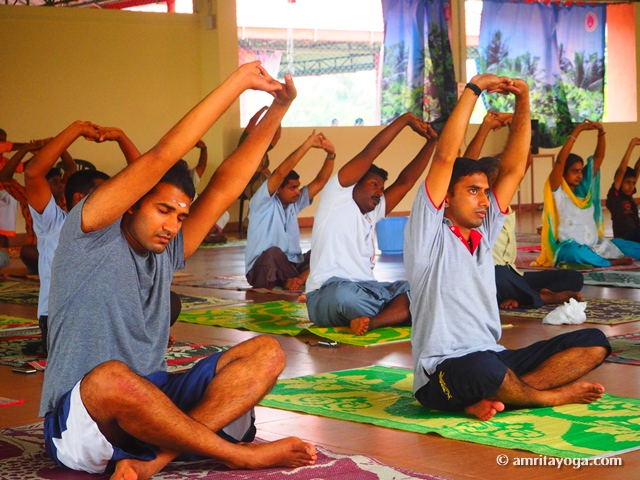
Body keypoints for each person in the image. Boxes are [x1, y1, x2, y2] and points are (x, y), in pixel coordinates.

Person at [39, 62, 316, 479]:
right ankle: (237, 454)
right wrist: (238, 83)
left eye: (181, 216)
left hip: (154, 405)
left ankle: (158, 460)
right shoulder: (90, 229)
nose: (172, 226)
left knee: (268, 352)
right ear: (132, 201)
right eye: (163, 210)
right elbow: (162, 155)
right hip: (85, 414)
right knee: (114, 378)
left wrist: (279, 107)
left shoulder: (166, 248)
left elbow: (226, 186)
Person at [405, 74, 610, 422]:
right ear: (446, 199)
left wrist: (524, 99)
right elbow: (444, 159)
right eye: (472, 191)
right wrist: (473, 89)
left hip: (494, 357)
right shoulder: (428, 234)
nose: (484, 200)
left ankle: (507, 393)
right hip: (441, 372)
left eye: (485, 191)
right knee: (483, 369)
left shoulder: (483, 232)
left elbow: (515, 167)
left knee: (594, 340)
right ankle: (547, 397)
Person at [306, 113, 438, 335]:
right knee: (345, 297)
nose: (379, 193)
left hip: (369, 289)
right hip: (327, 294)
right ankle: (396, 313)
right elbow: (371, 152)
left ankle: (372, 322)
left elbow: (406, 182)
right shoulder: (337, 196)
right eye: (374, 184)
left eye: (382, 188)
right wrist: (404, 120)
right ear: (354, 183)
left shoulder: (373, 212)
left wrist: (432, 143)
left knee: (423, 289)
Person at [24, 124, 132, 353]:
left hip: (104, 314)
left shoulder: (115, 225)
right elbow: (33, 173)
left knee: (168, 303)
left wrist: (122, 138)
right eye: (102, 194)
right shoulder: (54, 223)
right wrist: (77, 129)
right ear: (78, 198)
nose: (110, 200)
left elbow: (146, 181)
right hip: (63, 319)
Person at [465, 111, 583, 309]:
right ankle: (542, 298)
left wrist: (516, 123)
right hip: (490, 276)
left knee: (573, 277)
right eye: (496, 183)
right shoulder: (477, 207)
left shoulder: (507, 195)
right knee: (498, 274)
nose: (504, 188)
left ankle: (519, 296)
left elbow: (524, 161)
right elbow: (466, 165)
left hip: (513, 275)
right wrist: (485, 127)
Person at [535, 121, 640, 268]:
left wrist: (601, 133)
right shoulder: (558, 192)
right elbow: (560, 161)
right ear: (563, 172)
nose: (579, 175)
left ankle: (599, 258)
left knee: (634, 248)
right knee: (574, 253)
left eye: (580, 171)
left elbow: (598, 158)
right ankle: (608, 262)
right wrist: (576, 131)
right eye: (574, 171)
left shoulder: (584, 190)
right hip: (571, 246)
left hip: (595, 244)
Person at [245, 130, 335, 290]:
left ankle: (296, 279)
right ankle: (297, 279)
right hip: (262, 269)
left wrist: (331, 155)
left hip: (292, 264)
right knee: (273, 253)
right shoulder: (262, 202)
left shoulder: (295, 203)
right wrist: (307, 145)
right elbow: (280, 172)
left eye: (298, 187)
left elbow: (320, 182)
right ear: (278, 189)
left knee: (327, 249)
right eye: (293, 188)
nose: (298, 192)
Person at [606, 137, 640, 242]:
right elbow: (621, 170)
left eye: (633, 183)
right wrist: (631, 146)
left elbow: (638, 169)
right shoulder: (615, 197)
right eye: (627, 182)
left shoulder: (629, 196)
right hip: (624, 239)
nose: (631, 186)